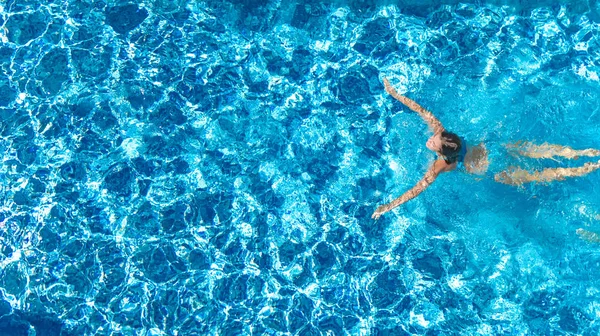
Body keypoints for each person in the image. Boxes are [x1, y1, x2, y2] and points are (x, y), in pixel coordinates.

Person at [371, 78, 600, 219]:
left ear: (443, 153)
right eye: (434, 139)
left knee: (539, 175)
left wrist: (387, 207)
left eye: (434, 142)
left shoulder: (440, 165)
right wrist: (395, 94)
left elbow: (416, 190)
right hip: (493, 149)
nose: (430, 140)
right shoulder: (443, 133)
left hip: (493, 172)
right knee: (539, 150)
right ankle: (589, 155)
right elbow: (421, 111)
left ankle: (583, 166)